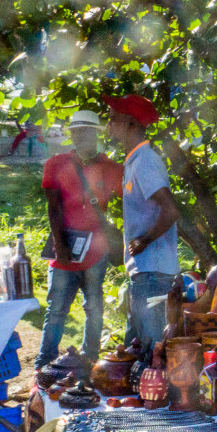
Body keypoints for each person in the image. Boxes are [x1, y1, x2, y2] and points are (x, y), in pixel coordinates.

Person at [35, 110, 122, 367]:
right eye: (77, 131)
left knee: (94, 309)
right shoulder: (56, 164)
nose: (82, 135)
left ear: (96, 134)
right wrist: (60, 245)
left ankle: (90, 361)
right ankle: (44, 363)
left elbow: (130, 199)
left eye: (87, 131)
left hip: (97, 250)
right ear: (71, 135)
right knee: (56, 310)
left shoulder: (111, 168)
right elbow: (53, 207)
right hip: (65, 250)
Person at [105, 94, 179, 356]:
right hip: (144, 273)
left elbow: (170, 209)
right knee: (134, 352)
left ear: (132, 124)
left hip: (153, 274)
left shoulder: (145, 162)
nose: (108, 125)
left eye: (113, 119)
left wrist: (144, 239)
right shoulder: (135, 161)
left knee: (152, 353)